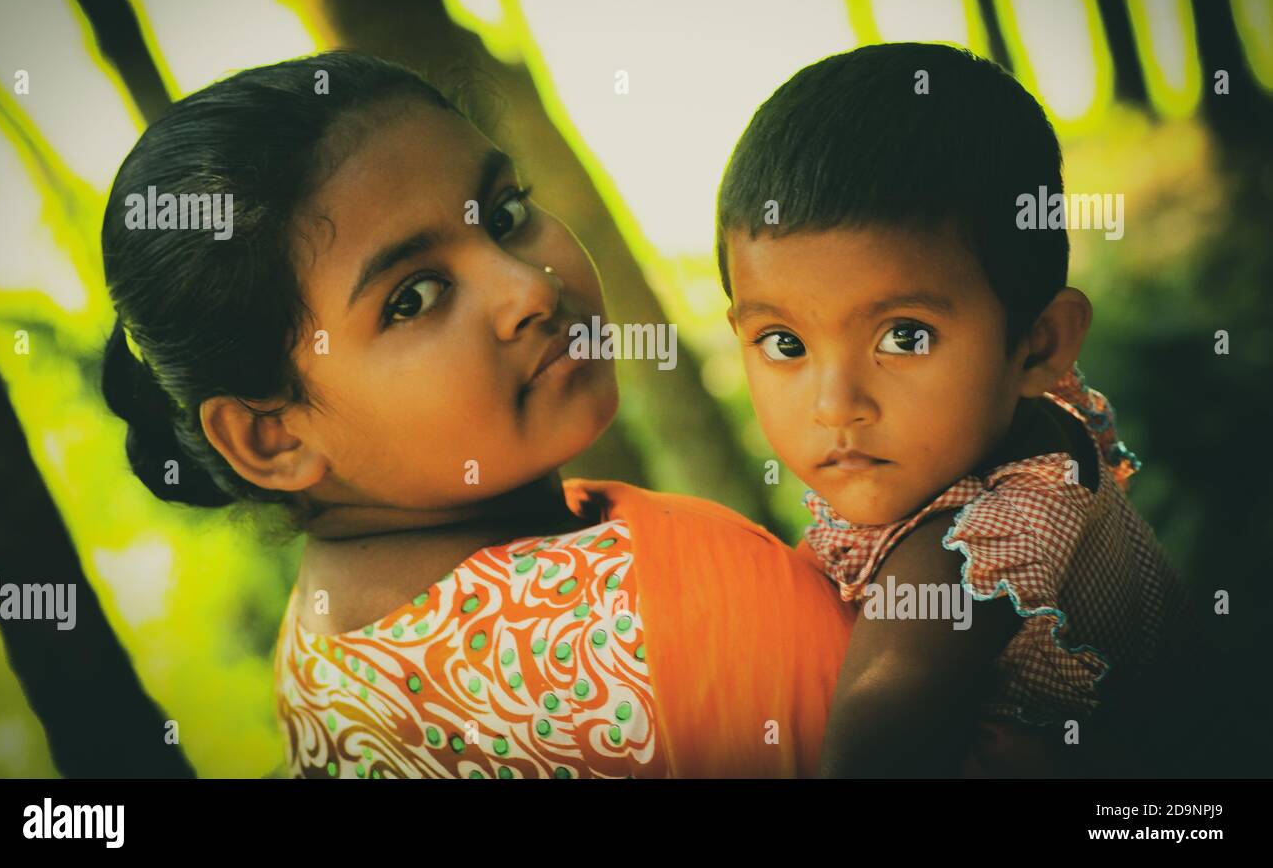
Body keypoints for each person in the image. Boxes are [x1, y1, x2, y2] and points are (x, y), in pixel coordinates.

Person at [99, 51, 851, 778]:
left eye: (505, 213)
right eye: (413, 298)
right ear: (272, 436)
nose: (528, 289)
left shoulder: (317, 644)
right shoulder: (693, 602)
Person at [716, 43, 1201, 777]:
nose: (835, 404)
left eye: (904, 336)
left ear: (1039, 345)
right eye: (784, 342)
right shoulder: (1033, 433)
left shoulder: (960, 558)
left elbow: (861, 757)